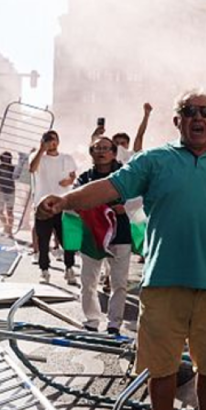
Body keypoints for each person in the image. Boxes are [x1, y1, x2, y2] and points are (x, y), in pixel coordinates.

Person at [38, 88, 206, 410]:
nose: (197, 117)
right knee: (160, 367)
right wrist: (65, 201)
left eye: (205, 111)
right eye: (188, 111)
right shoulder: (155, 160)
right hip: (162, 284)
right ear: (177, 120)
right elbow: (109, 188)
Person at [75, 137, 133, 335]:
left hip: (121, 235)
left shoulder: (126, 175)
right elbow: (76, 198)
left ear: (114, 152)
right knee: (88, 281)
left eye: (105, 148)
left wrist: (124, 207)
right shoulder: (85, 178)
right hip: (92, 236)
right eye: (97, 148)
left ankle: (114, 323)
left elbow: (139, 197)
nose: (101, 152)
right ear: (91, 152)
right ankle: (91, 320)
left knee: (119, 282)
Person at [30, 130, 77, 285]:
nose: (52, 142)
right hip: (43, 206)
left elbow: (73, 176)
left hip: (64, 204)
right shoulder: (38, 157)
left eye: (54, 139)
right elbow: (32, 168)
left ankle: (69, 268)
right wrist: (41, 149)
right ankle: (44, 270)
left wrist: (69, 181)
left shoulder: (66, 158)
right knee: (43, 240)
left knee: (68, 240)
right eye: (48, 140)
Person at [0, 151, 20, 237]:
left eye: (8, 158)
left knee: (9, 212)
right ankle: (6, 227)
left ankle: (9, 230)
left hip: (10, 191)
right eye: (5, 158)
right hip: (1, 191)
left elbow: (18, 175)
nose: (6, 160)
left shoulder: (13, 168)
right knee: (0, 212)